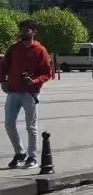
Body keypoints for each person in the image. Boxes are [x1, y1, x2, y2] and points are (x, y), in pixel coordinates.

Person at [1, 19, 54, 169]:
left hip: (30, 94)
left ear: (34, 32)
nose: (23, 33)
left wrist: (34, 81)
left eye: (27, 30)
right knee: (9, 124)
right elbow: (4, 65)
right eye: (22, 30)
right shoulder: (14, 48)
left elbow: (47, 73)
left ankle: (32, 157)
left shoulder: (40, 50)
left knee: (31, 126)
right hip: (13, 92)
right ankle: (20, 152)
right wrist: (3, 81)